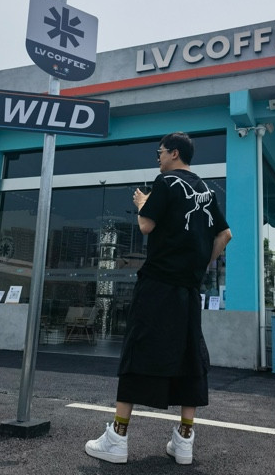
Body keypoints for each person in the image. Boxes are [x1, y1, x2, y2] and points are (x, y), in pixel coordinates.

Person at [85, 132, 232, 465]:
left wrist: (142, 203)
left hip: (157, 284)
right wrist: (199, 267)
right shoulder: (207, 190)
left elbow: (146, 225)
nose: (158, 158)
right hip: (188, 289)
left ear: (174, 153)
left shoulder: (166, 182)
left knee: (138, 349)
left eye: (160, 152)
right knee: (190, 356)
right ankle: (184, 440)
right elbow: (225, 234)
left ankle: (117, 438)